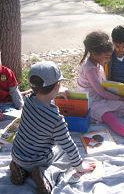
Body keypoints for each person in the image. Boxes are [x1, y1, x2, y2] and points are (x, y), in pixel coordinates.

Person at [10, 61, 95, 194]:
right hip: (36, 161)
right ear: (57, 85)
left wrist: (56, 91)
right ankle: (45, 176)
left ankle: (19, 169)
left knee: (43, 149)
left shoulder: (27, 100)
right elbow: (68, 145)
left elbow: (39, 93)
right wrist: (79, 166)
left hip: (17, 154)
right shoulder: (56, 119)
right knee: (66, 155)